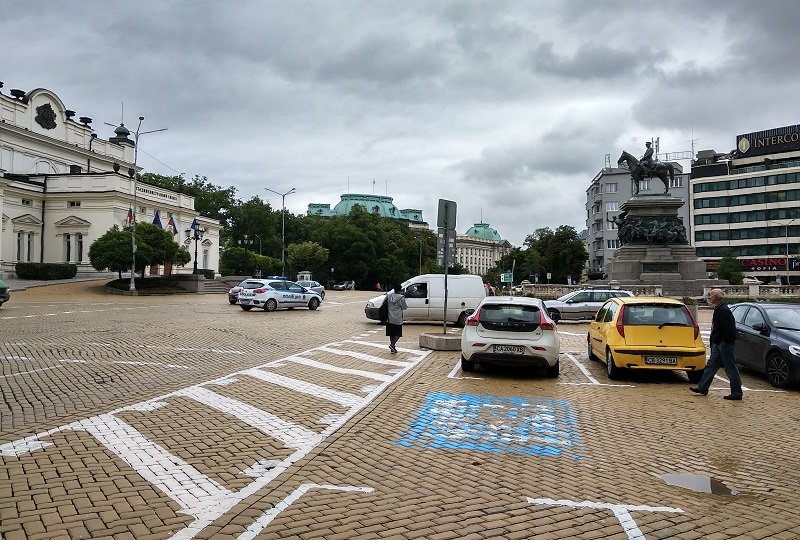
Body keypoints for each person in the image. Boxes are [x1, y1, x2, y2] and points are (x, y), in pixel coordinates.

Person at [690, 288, 743, 400]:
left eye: (711, 295)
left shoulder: (723, 310)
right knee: (711, 366)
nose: (709, 296)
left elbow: (729, 329)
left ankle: (737, 392)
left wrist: (722, 341)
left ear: (716, 297)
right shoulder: (719, 308)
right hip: (719, 343)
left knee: (730, 368)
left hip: (724, 343)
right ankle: (702, 387)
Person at [385, 283, 407, 354]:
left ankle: (392, 348)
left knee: (391, 333)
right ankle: (392, 345)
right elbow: (404, 307)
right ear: (400, 290)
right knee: (398, 333)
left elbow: (385, 304)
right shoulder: (401, 297)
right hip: (397, 318)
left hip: (389, 317)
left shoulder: (388, 296)